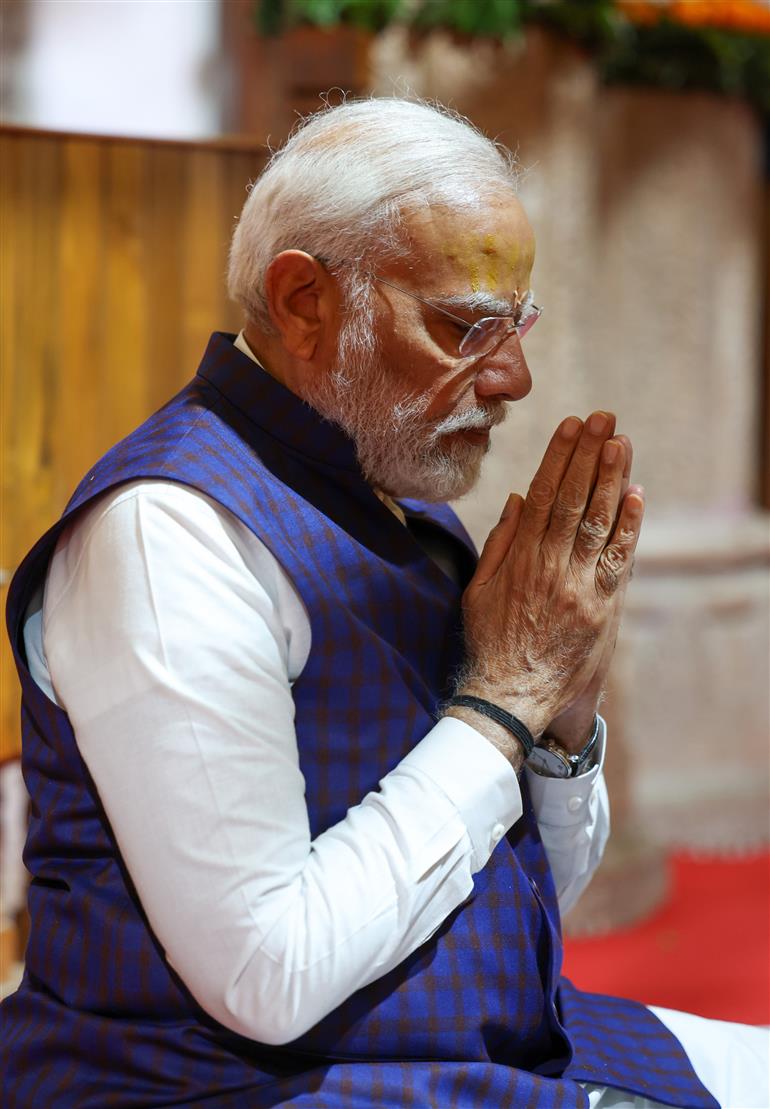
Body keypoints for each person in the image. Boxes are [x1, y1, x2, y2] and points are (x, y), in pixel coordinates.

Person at [2, 98, 766, 1109]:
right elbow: (266, 978)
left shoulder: (393, 492)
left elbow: (523, 893)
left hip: (454, 1033)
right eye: (464, 325)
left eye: (519, 321)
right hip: (214, 1082)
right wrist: (500, 701)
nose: (513, 375)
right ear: (304, 300)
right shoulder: (165, 534)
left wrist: (556, 716)